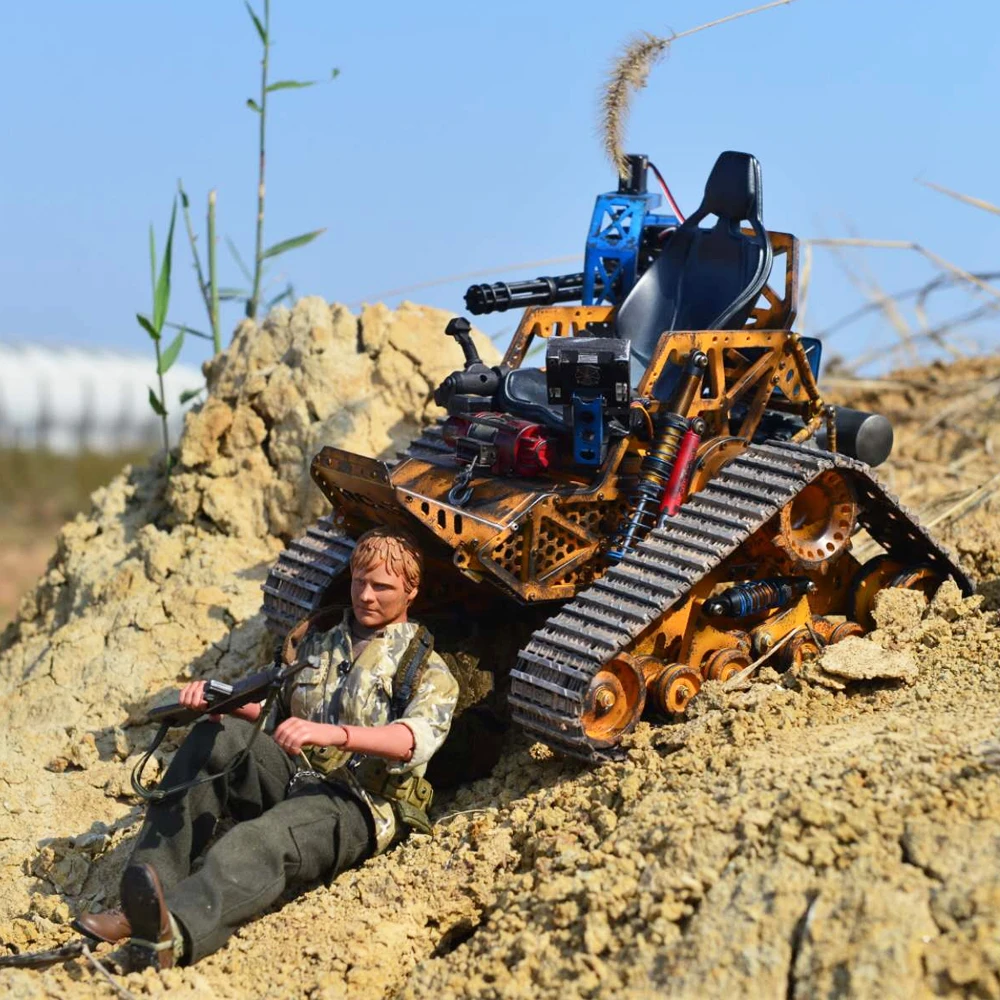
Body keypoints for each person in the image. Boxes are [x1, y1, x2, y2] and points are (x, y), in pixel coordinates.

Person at [73, 526, 459, 970]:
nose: (366, 596)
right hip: (295, 772)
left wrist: (336, 735)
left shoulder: (424, 668)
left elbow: (412, 739)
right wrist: (219, 700)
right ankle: (141, 902)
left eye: (382, 587)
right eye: (359, 582)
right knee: (214, 737)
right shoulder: (319, 642)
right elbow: (274, 713)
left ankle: (173, 932)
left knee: (261, 839)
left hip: (357, 801)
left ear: (411, 591)